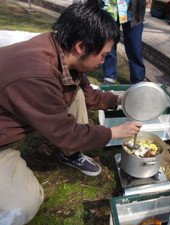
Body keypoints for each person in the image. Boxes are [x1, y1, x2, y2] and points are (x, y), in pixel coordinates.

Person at [0, 2, 142, 223]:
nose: (104, 62)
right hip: (3, 141)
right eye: (103, 55)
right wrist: (113, 132)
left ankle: (70, 155)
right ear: (81, 46)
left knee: (74, 94)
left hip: (11, 122)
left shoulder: (59, 51)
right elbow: (66, 132)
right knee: (24, 205)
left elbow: (88, 95)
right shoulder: (37, 76)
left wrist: (122, 99)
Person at [98, 0, 146, 84]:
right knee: (108, 45)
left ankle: (138, 79)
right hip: (109, 8)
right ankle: (109, 76)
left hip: (133, 10)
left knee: (135, 47)